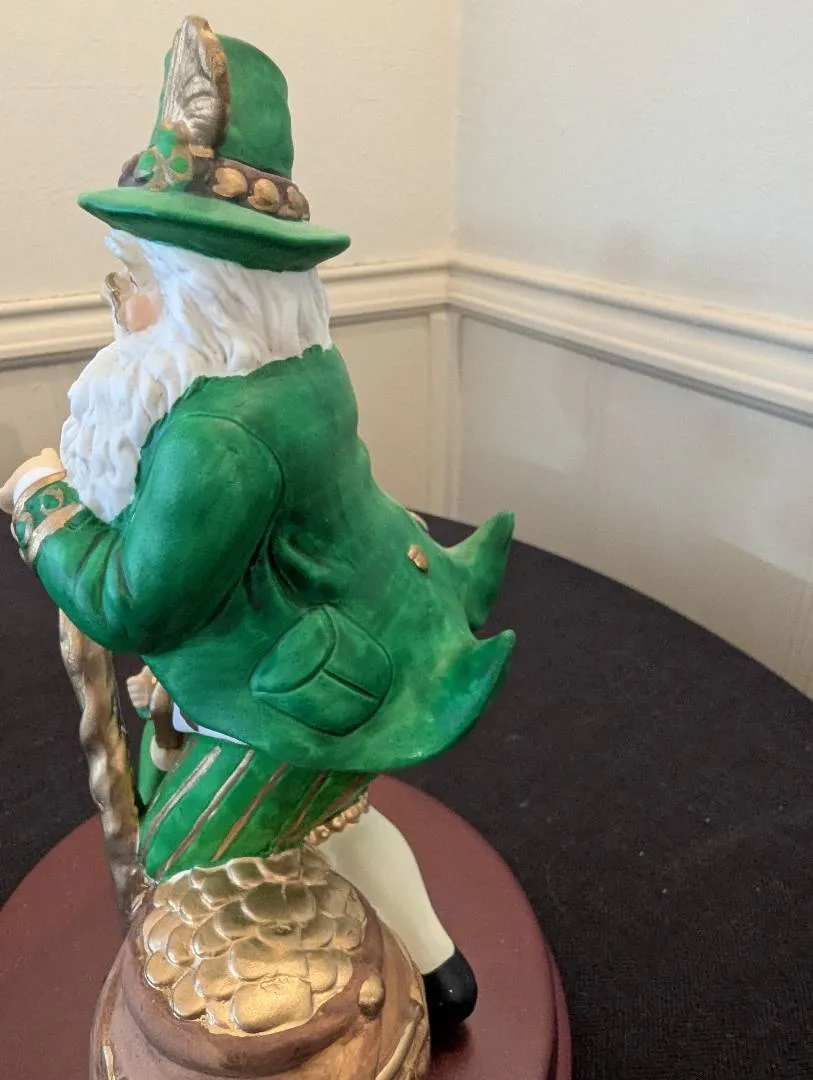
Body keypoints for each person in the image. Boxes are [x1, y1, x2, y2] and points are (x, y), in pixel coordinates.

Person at [0, 16, 514, 1032]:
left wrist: (43, 504)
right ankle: (439, 968)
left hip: (288, 695)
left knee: (179, 852)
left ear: (201, 296)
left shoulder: (216, 438)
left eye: (133, 281)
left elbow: (131, 602)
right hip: (355, 641)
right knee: (333, 816)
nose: (118, 304)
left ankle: (298, 997)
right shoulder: (300, 367)